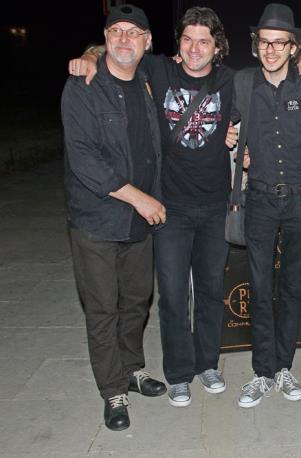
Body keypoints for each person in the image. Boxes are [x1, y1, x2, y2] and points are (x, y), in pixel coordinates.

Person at [70, 7, 235, 408]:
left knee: (211, 291)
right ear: (177, 44)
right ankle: (178, 373)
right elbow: (118, 54)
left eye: (204, 41)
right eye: (187, 39)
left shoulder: (232, 81)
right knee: (173, 296)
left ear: (217, 47)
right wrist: (90, 54)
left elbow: (271, 89)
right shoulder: (157, 71)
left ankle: (207, 363)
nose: (194, 48)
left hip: (216, 205)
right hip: (169, 207)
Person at [62, 4, 167, 431]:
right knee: (103, 308)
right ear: (105, 38)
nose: (124, 38)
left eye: (133, 32)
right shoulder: (83, 85)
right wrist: (140, 199)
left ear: (147, 42)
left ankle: (132, 369)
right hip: (97, 220)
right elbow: (84, 160)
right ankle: (113, 391)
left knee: (137, 300)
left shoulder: (147, 81)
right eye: (116, 31)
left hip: (139, 222)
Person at [233, 3, 301, 409]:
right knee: (259, 286)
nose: (270, 50)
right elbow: (210, 106)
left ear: (293, 47)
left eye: (279, 43)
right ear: (257, 45)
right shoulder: (242, 83)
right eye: (264, 42)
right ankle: (262, 371)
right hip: (261, 198)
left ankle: (283, 367)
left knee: (291, 288)